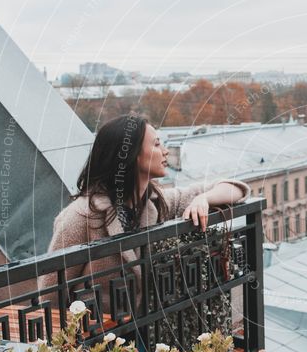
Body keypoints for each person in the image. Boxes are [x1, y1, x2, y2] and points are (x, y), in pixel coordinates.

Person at [37, 113, 250, 321]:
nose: (165, 152)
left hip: (144, 330)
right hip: (96, 341)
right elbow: (50, 295)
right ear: (131, 155)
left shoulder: (156, 203)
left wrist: (204, 198)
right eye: (156, 145)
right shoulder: (81, 215)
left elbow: (237, 189)